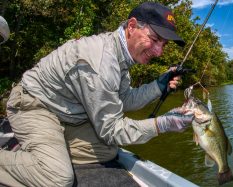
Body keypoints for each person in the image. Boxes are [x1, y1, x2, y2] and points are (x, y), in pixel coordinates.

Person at [0, 2, 194, 186]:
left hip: (67, 114)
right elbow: (112, 129)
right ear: (132, 26)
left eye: (164, 44)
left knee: (107, 151)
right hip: (33, 105)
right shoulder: (101, 61)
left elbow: (125, 100)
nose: (159, 51)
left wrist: (158, 86)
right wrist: (162, 124)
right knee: (58, 178)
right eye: (154, 40)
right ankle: (40, 158)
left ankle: (49, 149)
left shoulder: (122, 57)